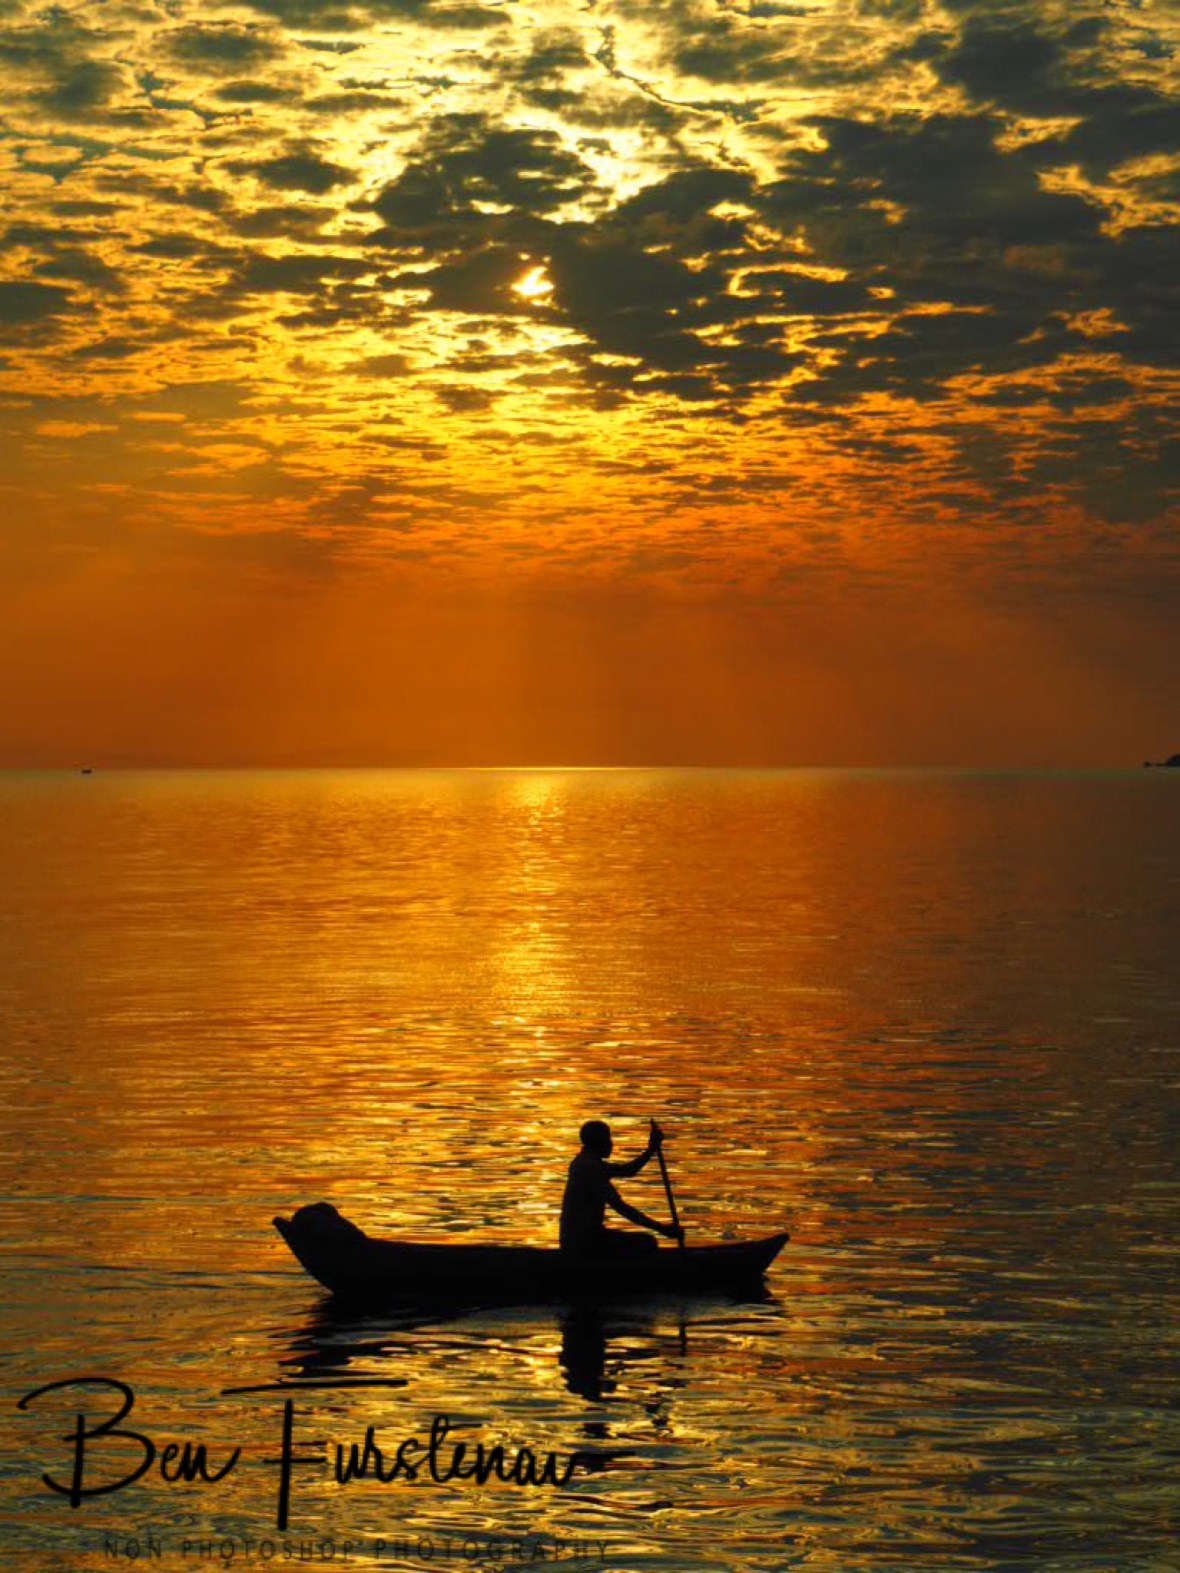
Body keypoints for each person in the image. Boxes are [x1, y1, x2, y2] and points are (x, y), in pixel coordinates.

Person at [559, 1119, 684, 1255]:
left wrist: (651, 1149)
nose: (611, 1144)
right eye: (607, 1139)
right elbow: (621, 1208)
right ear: (597, 1142)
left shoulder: (585, 1162)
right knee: (647, 1242)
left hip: (580, 1238)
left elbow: (628, 1170)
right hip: (584, 1241)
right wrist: (662, 1229)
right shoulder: (590, 1167)